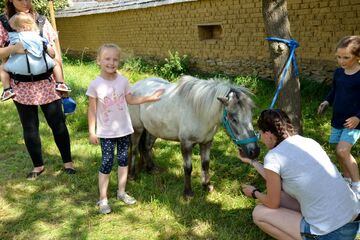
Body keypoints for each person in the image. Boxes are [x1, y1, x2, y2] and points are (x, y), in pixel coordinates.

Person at [239, 109, 359, 239]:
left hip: (331, 233)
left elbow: (273, 203)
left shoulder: (273, 156)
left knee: (259, 214)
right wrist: (253, 162)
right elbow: (275, 180)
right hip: (353, 218)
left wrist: (254, 193)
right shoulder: (308, 142)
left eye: (260, 134)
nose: (261, 139)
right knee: (282, 195)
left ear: (268, 134)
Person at [0, 0, 75, 179]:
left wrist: (60, 82)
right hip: (21, 87)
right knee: (30, 127)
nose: (26, 2)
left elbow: (55, 55)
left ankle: (68, 163)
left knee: (58, 124)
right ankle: (38, 166)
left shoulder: (41, 21)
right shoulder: (3, 23)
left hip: (47, 84)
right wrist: (13, 48)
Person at [86, 43, 164, 214]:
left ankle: (121, 192)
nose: (111, 62)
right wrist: (92, 131)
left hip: (124, 130)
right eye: (107, 59)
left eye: (115, 59)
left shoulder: (123, 81)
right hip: (106, 133)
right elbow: (91, 110)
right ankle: (103, 199)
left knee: (123, 162)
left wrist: (150, 98)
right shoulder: (95, 85)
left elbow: (131, 100)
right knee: (106, 163)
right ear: (99, 60)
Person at [317, 36, 360, 198]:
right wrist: (327, 101)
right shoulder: (338, 73)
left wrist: (358, 117)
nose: (341, 61)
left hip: (354, 122)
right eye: (338, 57)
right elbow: (334, 91)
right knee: (337, 150)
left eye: (346, 57)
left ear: (358, 57)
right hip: (337, 119)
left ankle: (357, 185)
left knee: (343, 151)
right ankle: (347, 179)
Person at [1, 12, 70, 101]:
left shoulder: (14, 38)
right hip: (43, 68)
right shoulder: (40, 37)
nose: (13, 31)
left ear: (22, 27)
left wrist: (13, 49)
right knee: (55, 63)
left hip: (19, 70)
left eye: (14, 29)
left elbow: (5, 54)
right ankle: (60, 83)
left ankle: (7, 90)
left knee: (2, 68)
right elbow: (53, 54)